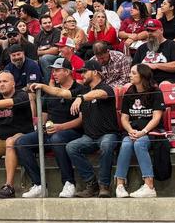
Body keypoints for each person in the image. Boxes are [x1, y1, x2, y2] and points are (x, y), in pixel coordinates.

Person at [17, 56, 86, 198]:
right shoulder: (51, 91)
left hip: (72, 131)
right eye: (52, 70)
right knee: (21, 142)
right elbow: (44, 113)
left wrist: (60, 127)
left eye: (57, 70)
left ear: (67, 72)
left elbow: (81, 121)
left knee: (57, 138)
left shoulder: (80, 90)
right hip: (52, 131)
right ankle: (39, 184)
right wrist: (42, 127)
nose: (53, 73)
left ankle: (69, 182)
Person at [66, 58, 122, 197]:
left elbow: (101, 94)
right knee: (71, 147)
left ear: (96, 72)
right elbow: (62, 93)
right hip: (89, 137)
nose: (82, 75)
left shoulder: (105, 87)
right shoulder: (83, 91)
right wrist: (42, 87)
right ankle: (92, 184)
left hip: (108, 134)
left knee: (106, 144)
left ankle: (104, 186)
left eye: (85, 71)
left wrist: (82, 98)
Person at [114, 64, 164, 198]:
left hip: (151, 131)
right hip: (133, 131)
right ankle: (119, 185)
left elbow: (157, 117)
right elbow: (124, 118)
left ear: (142, 76)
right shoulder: (129, 93)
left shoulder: (155, 91)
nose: (130, 75)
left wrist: (143, 131)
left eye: (133, 73)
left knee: (139, 143)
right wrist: (131, 131)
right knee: (125, 144)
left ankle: (149, 185)